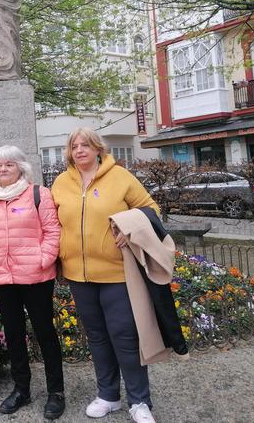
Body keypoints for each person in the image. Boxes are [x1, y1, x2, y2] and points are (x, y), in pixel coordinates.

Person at [51, 128, 160, 423]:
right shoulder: (61, 183)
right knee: (97, 338)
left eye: (86, 145)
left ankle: (139, 401)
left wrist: (131, 229)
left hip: (116, 274)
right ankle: (108, 396)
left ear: (98, 148)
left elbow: (151, 209)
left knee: (125, 336)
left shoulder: (121, 177)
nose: (80, 150)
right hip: (78, 275)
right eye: (75, 146)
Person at [0, 145, 65, 419]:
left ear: (21, 168)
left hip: (36, 276)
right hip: (3, 277)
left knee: (44, 333)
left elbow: (52, 230)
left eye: (9, 164)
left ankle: (56, 391)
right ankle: (21, 389)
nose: (3, 169)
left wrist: (43, 258)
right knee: (13, 334)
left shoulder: (39, 194)